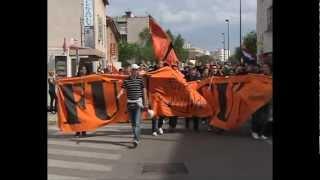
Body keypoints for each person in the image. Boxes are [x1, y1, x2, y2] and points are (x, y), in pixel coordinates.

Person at [117, 64, 149, 147]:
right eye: (135, 70)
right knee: (133, 123)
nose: (136, 71)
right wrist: (119, 95)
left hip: (138, 103)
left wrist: (146, 102)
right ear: (131, 71)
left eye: (137, 70)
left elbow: (144, 91)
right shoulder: (126, 80)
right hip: (130, 103)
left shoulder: (140, 80)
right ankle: (136, 136)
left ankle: (136, 139)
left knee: (137, 122)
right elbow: (123, 90)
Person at [250, 62, 272, 140]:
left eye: (266, 67)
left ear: (269, 68)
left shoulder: (271, 77)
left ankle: (264, 133)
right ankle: (254, 131)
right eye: (263, 67)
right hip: (258, 100)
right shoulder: (258, 76)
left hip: (268, 100)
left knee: (267, 117)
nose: (264, 69)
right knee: (256, 116)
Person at [75, 65, 90, 138]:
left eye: (85, 69)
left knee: (84, 116)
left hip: (85, 100)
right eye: (82, 69)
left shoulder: (89, 78)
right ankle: (77, 131)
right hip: (77, 99)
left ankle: (84, 131)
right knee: (78, 116)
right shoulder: (76, 78)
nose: (83, 71)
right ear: (79, 70)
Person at [185, 68, 201, 132]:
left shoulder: (198, 78)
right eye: (191, 71)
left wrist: (199, 82)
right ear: (189, 72)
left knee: (196, 113)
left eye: (194, 71)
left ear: (195, 72)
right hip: (188, 97)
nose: (192, 72)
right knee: (188, 111)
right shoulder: (186, 77)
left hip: (195, 97)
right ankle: (187, 125)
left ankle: (196, 127)